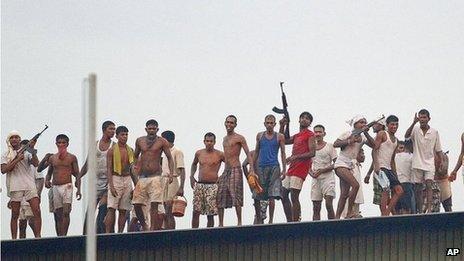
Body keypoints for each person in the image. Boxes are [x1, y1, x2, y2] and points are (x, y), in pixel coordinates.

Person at [132, 119, 174, 231]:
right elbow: (135, 155)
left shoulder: (162, 141)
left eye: (154, 129)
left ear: (157, 129)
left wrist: (171, 173)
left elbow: (169, 157)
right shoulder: (140, 141)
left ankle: (153, 229)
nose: (151, 130)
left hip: (156, 177)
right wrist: (135, 166)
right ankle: (144, 225)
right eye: (149, 128)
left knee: (154, 204)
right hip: (143, 177)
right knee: (137, 204)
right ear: (146, 129)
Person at [76, 120, 115, 234]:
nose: (113, 131)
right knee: (90, 212)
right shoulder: (95, 145)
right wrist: (79, 176)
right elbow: (88, 163)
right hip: (96, 182)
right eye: (110, 129)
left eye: (114, 129)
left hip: (108, 182)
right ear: (104, 130)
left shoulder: (114, 146)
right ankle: (85, 236)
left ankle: (100, 235)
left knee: (103, 210)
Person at [1, 131, 41, 239]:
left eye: (16, 137)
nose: (14, 139)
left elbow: (36, 164)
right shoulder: (5, 154)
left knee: (36, 211)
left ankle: (38, 236)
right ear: (9, 140)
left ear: (19, 139)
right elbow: (4, 170)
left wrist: (32, 150)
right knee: (15, 215)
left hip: (29, 184)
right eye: (12, 137)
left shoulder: (27, 152)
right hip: (15, 185)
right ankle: (14, 238)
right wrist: (17, 159)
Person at [333, 115, 374, 219]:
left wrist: (366, 132)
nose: (363, 124)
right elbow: (336, 143)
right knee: (355, 185)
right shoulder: (348, 133)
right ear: (355, 124)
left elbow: (374, 145)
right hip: (341, 163)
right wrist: (349, 141)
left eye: (365, 122)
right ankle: (349, 212)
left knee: (344, 194)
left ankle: (337, 217)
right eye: (361, 122)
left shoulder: (363, 137)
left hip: (350, 165)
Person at [217, 115, 254, 226]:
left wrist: (251, 169)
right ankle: (221, 223)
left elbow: (248, 153)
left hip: (235, 168)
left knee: (236, 195)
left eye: (232, 123)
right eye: (228, 122)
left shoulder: (239, 138)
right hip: (226, 170)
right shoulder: (224, 138)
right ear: (225, 123)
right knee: (220, 195)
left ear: (235, 125)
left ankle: (239, 222)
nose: (229, 124)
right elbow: (226, 156)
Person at [279, 112, 316, 222]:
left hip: (300, 168)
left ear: (310, 123)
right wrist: (283, 125)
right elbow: (283, 140)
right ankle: (290, 221)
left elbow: (312, 152)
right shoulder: (297, 135)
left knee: (294, 196)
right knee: (283, 194)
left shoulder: (310, 134)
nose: (304, 120)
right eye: (302, 118)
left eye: (307, 119)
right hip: (292, 168)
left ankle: (296, 221)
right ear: (299, 120)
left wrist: (295, 157)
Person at [404, 109, 444, 213]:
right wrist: (413, 122)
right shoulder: (415, 129)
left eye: (424, 117)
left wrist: (442, 162)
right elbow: (406, 136)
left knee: (429, 184)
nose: (422, 119)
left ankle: (429, 209)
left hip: (429, 162)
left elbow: (438, 150)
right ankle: (420, 210)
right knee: (418, 187)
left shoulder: (434, 132)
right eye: (420, 117)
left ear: (428, 119)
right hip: (417, 161)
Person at [252, 115, 286, 224]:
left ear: (275, 124)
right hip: (261, 167)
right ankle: (258, 218)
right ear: (264, 123)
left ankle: (271, 220)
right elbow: (256, 151)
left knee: (272, 194)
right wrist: (252, 168)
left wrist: (284, 169)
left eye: (272, 123)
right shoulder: (260, 136)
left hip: (274, 166)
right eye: (268, 122)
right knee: (257, 194)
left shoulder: (279, 136)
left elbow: (283, 153)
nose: (270, 125)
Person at [44, 134, 80, 236]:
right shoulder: (52, 158)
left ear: (67, 144)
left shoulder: (72, 157)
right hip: (56, 187)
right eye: (59, 142)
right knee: (58, 214)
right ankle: (60, 236)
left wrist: (79, 188)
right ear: (56, 144)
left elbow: (77, 173)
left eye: (63, 142)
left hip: (67, 186)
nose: (61, 144)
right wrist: (47, 180)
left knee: (66, 211)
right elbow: (49, 172)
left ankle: (64, 235)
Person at [105, 126, 135, 233]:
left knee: (123, 209)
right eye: (122, 134)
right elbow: (108, 169)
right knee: (111, 208)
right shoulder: (112, 151)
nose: (125, 137)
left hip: (127, 179)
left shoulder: (130, 150)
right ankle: (108, 233)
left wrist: (136, 186)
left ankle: (120, 233)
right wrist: (111, 185)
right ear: (117, 136)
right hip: (115, 178)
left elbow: (133, 169)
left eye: (126, 134)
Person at [190, 132, 224, 228]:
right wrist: (191, 176)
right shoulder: (199, 153)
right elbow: (194, 164)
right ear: (204, 141)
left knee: (211, 213)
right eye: (207, 141)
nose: (209, 143)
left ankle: (209, 234)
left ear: (214, 142)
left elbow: (229, 165)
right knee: (196, 211)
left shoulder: (220, 154)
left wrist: (222, 177)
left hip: (212, 185)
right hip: (200, 184)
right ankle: (194, 234)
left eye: (211, 141)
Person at [373, 115, 404, 216]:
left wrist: (395, 174)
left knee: (399, 190)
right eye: (392, 124)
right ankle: (384, 214)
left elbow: (392, 159)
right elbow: (374, 150)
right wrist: (376, 165)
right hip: (381, 166)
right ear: (387, 125)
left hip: (389, 168)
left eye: (396, 124)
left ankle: (387, 212)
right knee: (385, 189)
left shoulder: (396, 140)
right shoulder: (382, 134)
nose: (394, 126)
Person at [17, 139, 44, 238]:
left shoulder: (34, 162)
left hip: (31, 194)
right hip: (20, 195)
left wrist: (38, 194)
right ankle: (21, 246)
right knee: (21, 223)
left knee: (32, 221)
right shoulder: (18, 162)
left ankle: (38, 239)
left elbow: (41, 179)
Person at [310, 125, 337, 220]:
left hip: (328, 177)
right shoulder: (311, 147)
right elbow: (307, 164)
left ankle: (333, 228)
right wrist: (311, 173)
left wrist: (322, 170)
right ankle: (316, 231)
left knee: (329, 204)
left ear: (324, 133)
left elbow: (336, 163)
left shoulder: (330, 146)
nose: (317, 134)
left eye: (319, 132)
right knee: (316, 207)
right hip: (316, 179)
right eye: (315, 132)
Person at [161, 130, 185, 229]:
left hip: (172, 180)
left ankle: (171, 232)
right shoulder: (162, 152)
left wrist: (181, 187)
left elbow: (182, 170)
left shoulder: (177, 151)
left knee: (169, 209)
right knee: (162, 210)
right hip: (163, 180)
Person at [364, 119, 389, 214]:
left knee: (384, 192)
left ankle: (385, 215)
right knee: (382, 194)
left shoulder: (382, 135)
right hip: (379, 169)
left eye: (375, 125)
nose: (373, 127)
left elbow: (374, 146)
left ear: (381, 126)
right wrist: (369, 173)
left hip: (382, 169)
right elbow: (375, 158)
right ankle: (385, 214)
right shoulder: (380, 137)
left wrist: (365, 134)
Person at [342, 148, 366, 218]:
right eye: (361, 153)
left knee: (356, 216)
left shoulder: (357, 165)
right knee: (349, 216)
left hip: (356, 197)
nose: (363, 156)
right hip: (351, 195)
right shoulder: (352, 164)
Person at [394, 141, 415, 214]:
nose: (400, 150)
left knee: (399, 209)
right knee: (405, 208)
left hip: (400, 184)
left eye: (401, 148)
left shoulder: (410, 156)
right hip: (403, 184)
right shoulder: (411, 156)